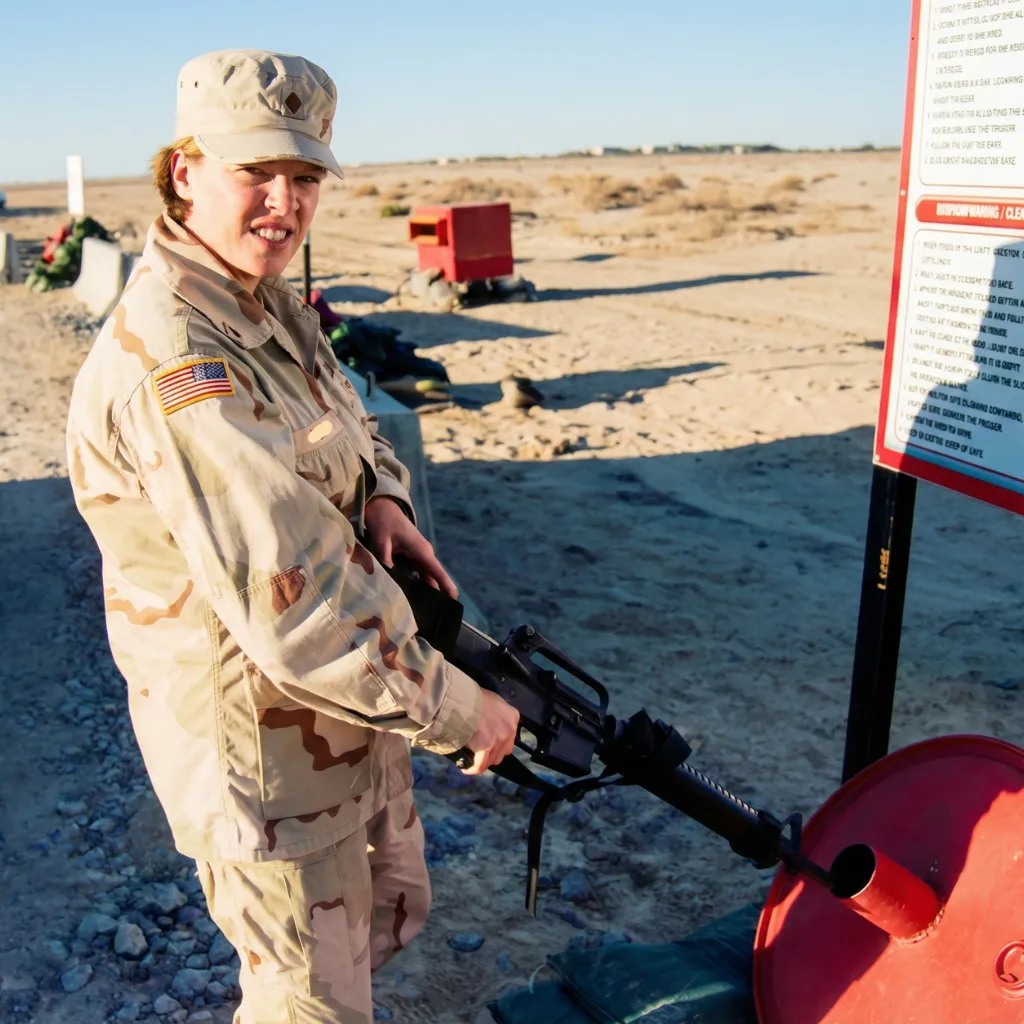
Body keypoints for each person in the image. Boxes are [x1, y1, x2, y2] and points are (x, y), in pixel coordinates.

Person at [65, 49, 519, 1024]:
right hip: (266, 754)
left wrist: (387, 499)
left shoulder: (261, 299)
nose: (284, 201)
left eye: (305, 176)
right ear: (184, 173)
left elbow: (342, 429)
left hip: (342, 714)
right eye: (253, 173)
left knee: (378, 932)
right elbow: (297, 602)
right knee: (307, 1000)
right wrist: (457, 708)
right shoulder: (181, 354)